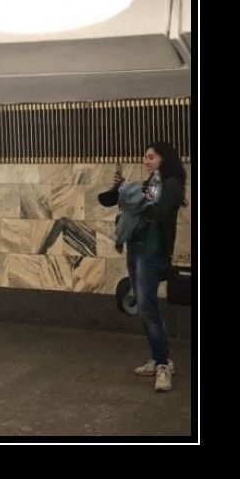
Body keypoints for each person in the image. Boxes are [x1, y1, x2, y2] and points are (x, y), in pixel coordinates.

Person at [98, 142, 187, 392]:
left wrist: (132, 194)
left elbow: (159, 213)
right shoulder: (150, 184)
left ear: (164, 158)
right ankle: (161, 359)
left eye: (151, 157)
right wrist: (123, 189)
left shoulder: (171, 184)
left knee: (147, 308)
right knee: (146, 308)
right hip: (136, 250)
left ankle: (163, 365)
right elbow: (113, 201)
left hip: (152, 253)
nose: (146, 161)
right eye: (145, 157)